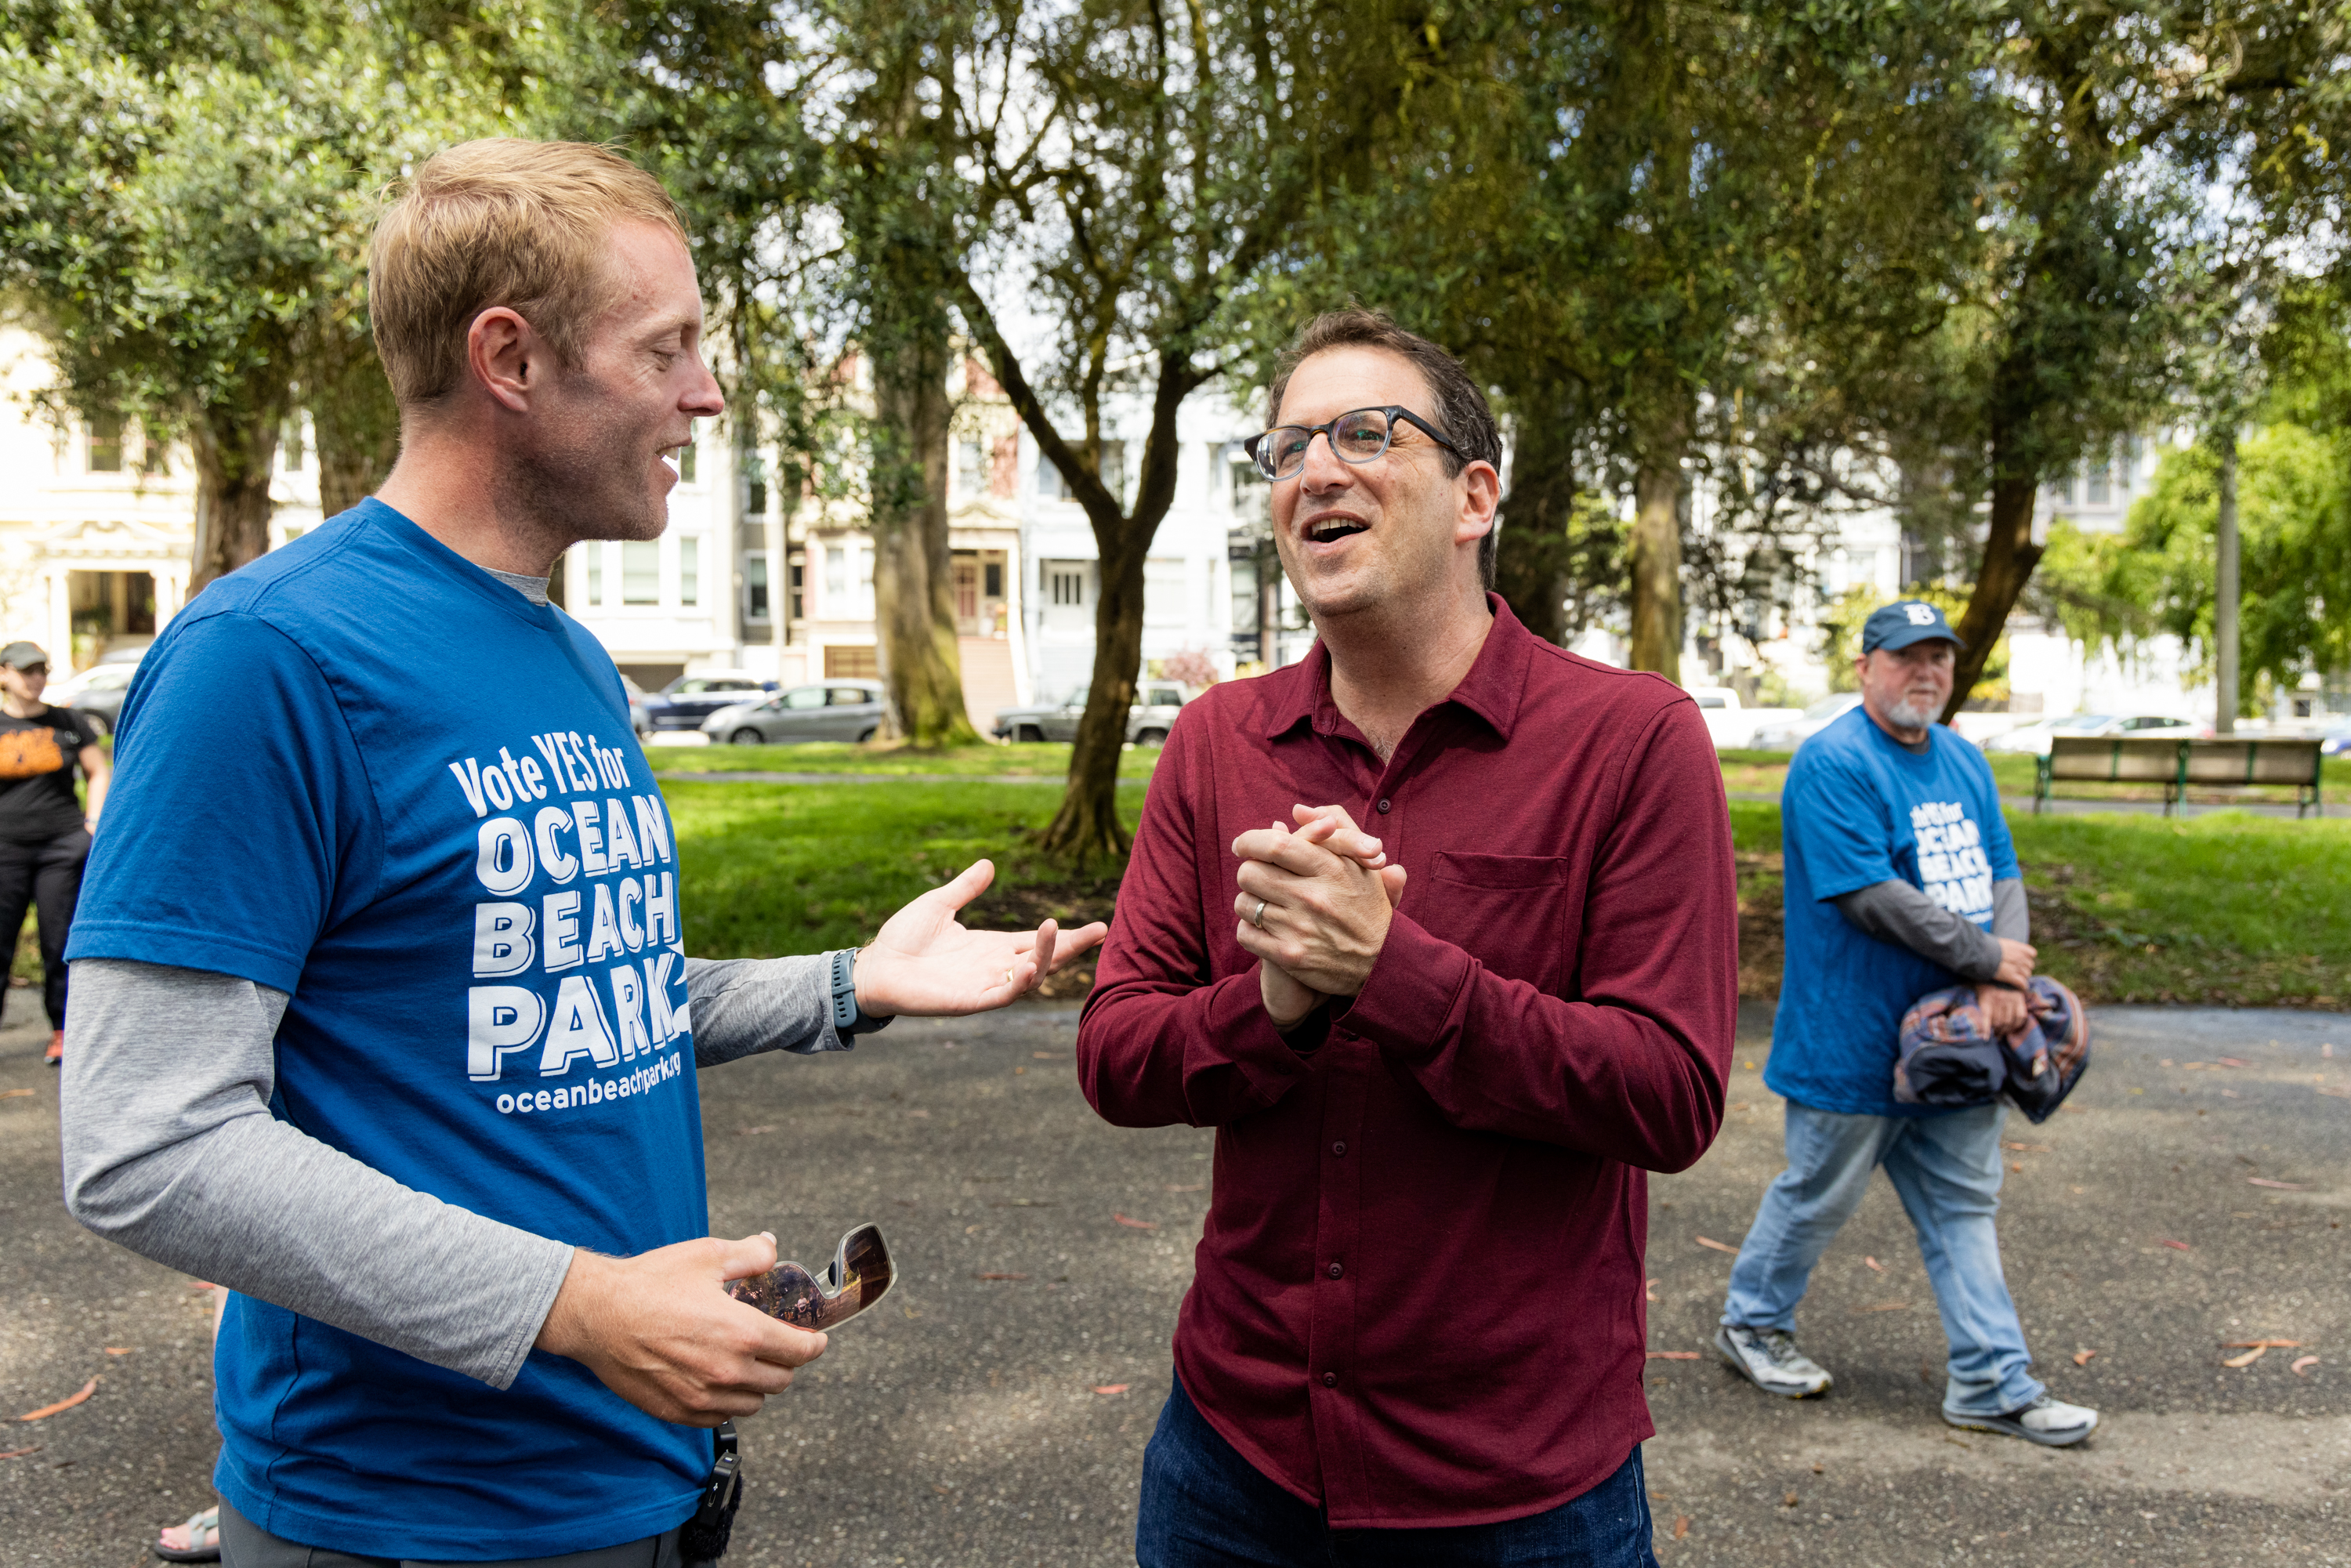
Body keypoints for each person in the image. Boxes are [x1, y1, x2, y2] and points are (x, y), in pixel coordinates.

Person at [58, 137, 1104, 1566]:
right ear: (513, 358)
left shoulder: (568, 656)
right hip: (401, 1520)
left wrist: (850, 981)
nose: (707, 391)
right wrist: (578, 1307)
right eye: (666, 346)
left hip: (638, 1487)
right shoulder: (268, 658)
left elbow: (567, 992)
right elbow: (146, 1140)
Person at [1076, 309, 1740, 1567]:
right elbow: (1116, 1053)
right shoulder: (1217, 742)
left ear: (1475, 494)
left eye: (1367, 432)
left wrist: (1397, 971)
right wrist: (1273, 1004)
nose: (1316, 468)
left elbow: (1670, 1093)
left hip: (1523, 1492)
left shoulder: (1634, 742)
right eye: (1287, 449)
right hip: (1234, 1463)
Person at [1712, 599, 2097, 1447]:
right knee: (1816, 1196)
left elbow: (2002, 868)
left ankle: (1992, 1382)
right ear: (1865, 667)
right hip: (1852, 1040)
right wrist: (1984, 960)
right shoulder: (1833, 763)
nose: (1925, 674)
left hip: (1956, 1042)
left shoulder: (1963, 759)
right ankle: (1752, 1325)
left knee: (1964, 1206)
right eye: (1906, 657)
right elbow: (1869, 898)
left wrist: (2007, 972)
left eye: (1940, 660)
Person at [0, 639, 110, 1066]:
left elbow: (97, 771)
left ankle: (65, 1031)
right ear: (4, 674)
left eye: (41, 670)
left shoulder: (68, 720)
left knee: (59, 941)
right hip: (5, 848)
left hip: (61, 848)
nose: (35, 678)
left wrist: (93, 823)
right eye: (26, 670)